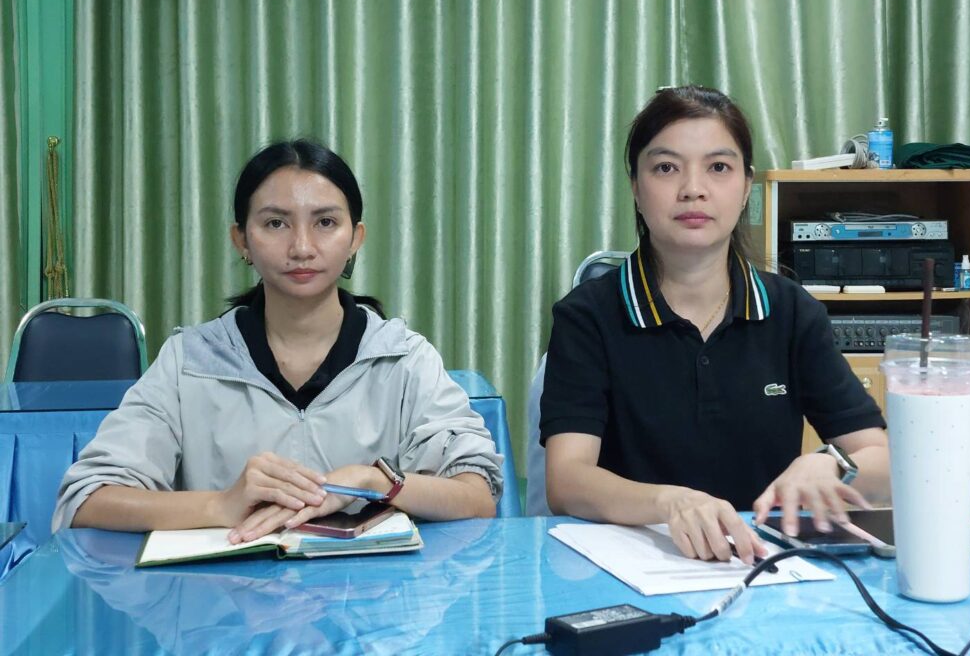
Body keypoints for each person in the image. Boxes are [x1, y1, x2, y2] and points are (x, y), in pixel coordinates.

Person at [54, 139, 502, 541]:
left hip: (368, 602)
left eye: (325, 222)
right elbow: (87, 499)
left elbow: (477, 495)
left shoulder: (402, 357)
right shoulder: (189, 361)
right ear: (241, 240)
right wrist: (220, 505)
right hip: (224, 599)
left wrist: (375, 482)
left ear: (355, 238)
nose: (302, 247)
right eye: (275, 224)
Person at [540, 85, 889, 565]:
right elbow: (566, 481)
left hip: (760, 561)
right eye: (666, 168)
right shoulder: (587, 316)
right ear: (636, 188)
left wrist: (831, 464)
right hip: (635, 561)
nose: (693, 188)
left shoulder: (791, 311)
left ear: (746, 187)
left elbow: (881, 458)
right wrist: (669, 503)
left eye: (718, 167)